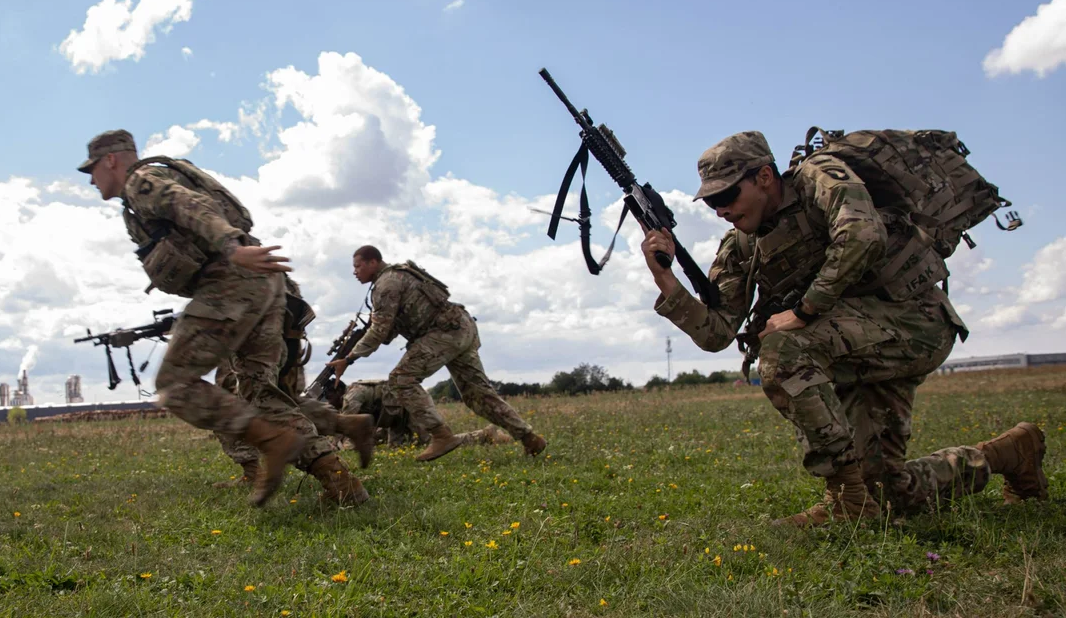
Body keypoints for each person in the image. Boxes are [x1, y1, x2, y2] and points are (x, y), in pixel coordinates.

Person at [641, 131, 1048, 527]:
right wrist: (667, 280)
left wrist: (805, 309)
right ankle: (1009, 453)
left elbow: (862, 232)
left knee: (784, 348)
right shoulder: (741, 247)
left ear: (765, 177)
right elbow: (716, 334)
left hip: (913, 322)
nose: (720, 210)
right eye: (712, 201)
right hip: (853, 345)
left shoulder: (819, 175)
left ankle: (845, 499)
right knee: (890, 494)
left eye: (727, 195)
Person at [79, 129, 367, 506]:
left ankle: (275, 441)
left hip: (233, 279)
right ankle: (342, 483)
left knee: (174, 384)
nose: (91, 179)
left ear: (111, 160)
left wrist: (230, 247)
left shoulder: (142, 182)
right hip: (262, 283)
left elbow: (191, 205)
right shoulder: (154, 180)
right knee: (258, 391)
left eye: (93, 169)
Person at [327, 246, 547, 461]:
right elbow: (389, 331)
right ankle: (529, 438)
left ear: (373, 262)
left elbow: (380, 330)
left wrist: (349, 359)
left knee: (401, 379)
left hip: (443, 332)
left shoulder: (386, 284)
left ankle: (441, 435)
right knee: (478, 396)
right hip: (459, 327)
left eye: (358, 266)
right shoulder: (397, 276)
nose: (354, 272)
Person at [211, 275, 376, 488]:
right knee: (282, 401)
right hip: (286, 327)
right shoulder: (261, 261)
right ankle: (346, 424)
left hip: (252, 328)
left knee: (239, 403)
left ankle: (339, 482)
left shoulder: (221, 256)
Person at [340, 379, 514, 448]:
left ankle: (484, 435)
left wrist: (341, 446)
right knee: (397, 449)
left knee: (433, 443)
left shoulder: (353, 395)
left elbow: (346, 428)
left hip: (411, 406)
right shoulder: (359, 394)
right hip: (396, 418)